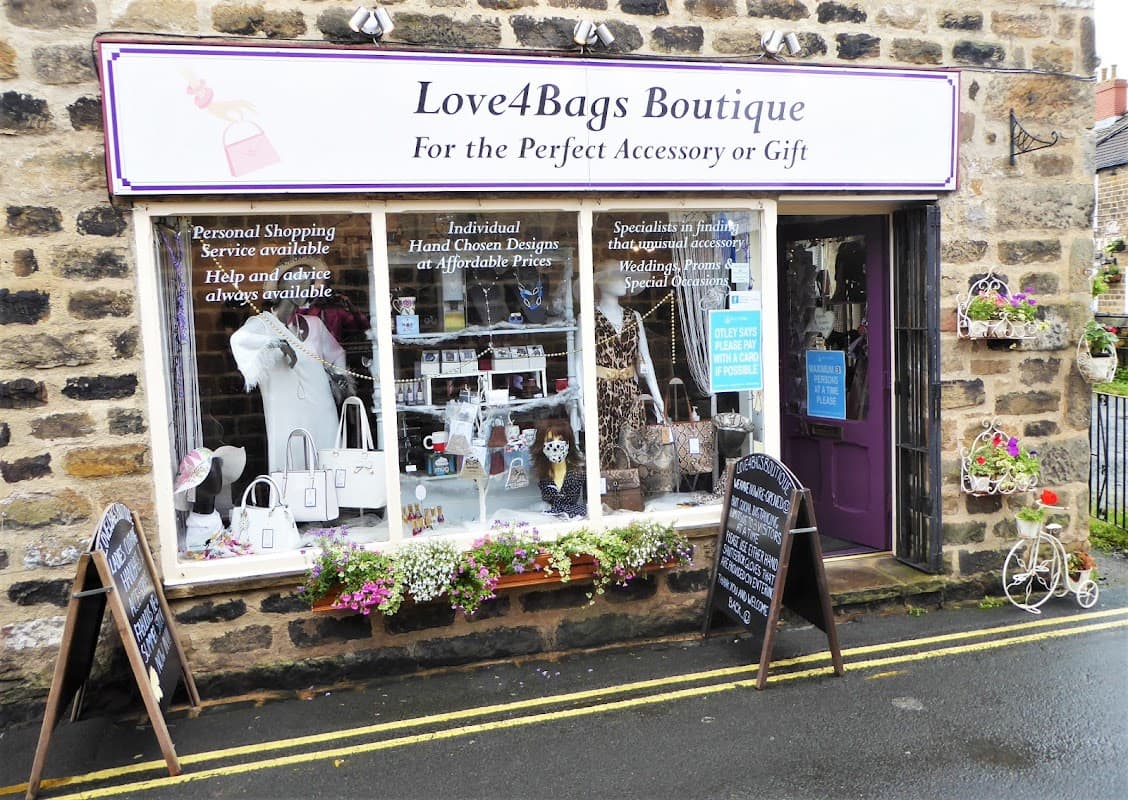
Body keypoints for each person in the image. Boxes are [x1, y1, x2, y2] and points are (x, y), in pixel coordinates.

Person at [230, 257, 347, 473]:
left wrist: (338, 378)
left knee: (328, 460)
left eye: (310, 283)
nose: (308, 288)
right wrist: (275, 343)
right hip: (286, 411)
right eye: (302, 282)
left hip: (322, 408)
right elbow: (238, 341)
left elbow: (337, 354)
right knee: (290, 463)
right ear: (284, 286)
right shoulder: (263, 325)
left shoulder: (315, 324)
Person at [589, 260, 665, 466]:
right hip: (601, 394)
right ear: (602, 283)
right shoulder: (588, 318)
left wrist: (658, 401)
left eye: (624, 276)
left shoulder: (635, 317)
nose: (623, 281)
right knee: (604, 450)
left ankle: (632, 494)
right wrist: (580, 404)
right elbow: (580, 363)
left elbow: (646, 359)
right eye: (617, 276)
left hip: (631, 393)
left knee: (634, 448)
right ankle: (607, 494)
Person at [532, 418, 586, 518]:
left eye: (561, 439)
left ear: (568, 443)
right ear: (542, 444)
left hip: (577, 518)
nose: (556, 445)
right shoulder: (539, 475)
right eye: (550, 440)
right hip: (546, 518)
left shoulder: (579, 472)